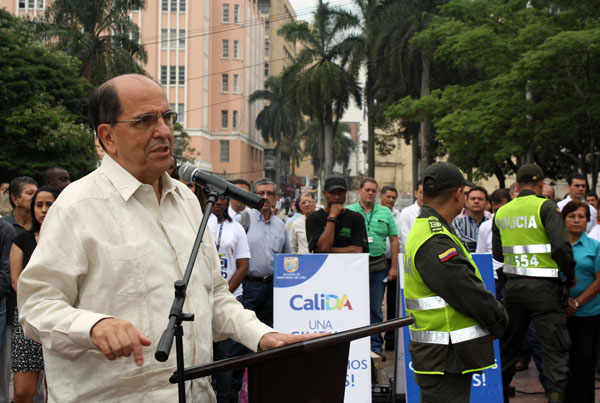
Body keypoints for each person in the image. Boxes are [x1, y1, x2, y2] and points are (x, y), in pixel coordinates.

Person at [16, 74, 314, 402]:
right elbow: (36, 306)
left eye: (167, 117)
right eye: (145, 120)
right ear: (107, 136)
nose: (163, 131)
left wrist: (262, 336)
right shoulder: (77, 206)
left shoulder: (186, 201)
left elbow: (213, 296)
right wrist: (94, 326)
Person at [404, 162, 507, 403]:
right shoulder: (436, 238)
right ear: (458, 193)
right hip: (446, 354)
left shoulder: (428, 229)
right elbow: (466, 291)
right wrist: (498, 320)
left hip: (442, 353)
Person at [493, 164, 576, 403]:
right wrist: (569, 272)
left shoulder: (502, 212)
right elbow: (561, 247)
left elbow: (498, 254)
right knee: (554, 350)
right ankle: (556, 398)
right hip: (545, 291)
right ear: (541, 184)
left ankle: (498, 395)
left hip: (513, 290)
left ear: (517, 185)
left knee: (508, 349)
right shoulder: (546, 207)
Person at [10, 186, 59, 402]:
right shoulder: (22, 239)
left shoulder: (66, 240)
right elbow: (16, 280)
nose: (44, 209)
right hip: (27, 317)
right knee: (22, 391)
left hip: (59, 317)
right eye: (39, 205)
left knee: (55, 388)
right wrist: (36, 303)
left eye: (49, 204)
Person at [347, 178, 399, 355]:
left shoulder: (385, 212)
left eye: (373, 190)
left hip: (378, 267)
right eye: (367, 189)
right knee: (352, 306)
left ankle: (375, 347)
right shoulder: (350, 211)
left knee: (375, 308)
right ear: (359, 191)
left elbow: (394, 239)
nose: (370, 193)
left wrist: (394, 267)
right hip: (354, 268)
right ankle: (354, 345)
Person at [207, 195, 251, 403]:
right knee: (201, 355)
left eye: (223, 198)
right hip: (200, 299)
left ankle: (224, 399)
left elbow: (243, 266)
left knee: (224, 356)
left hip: (228, 299)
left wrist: (223, 292)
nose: (218, 202)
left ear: (228, 202)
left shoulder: (236, 228)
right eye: (214, 197)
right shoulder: (197, 224)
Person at [560, 200, 600, 403]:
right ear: (564, 219)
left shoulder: (595, 247)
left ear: (587, 221)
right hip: (560, 312)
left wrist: (577, 303)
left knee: (585, 360)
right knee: (562, 362)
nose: (576, 220)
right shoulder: (556, 246)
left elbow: (599, 280)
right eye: (572, 216)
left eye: (581, 217)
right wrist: (565, 302)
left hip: (589, 313)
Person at [306, 176, 368, 254]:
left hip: (348, 262)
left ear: (345, 193)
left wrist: (327, 250)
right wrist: (332, 217)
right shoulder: (314, 218)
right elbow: (323, 248)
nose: (336, 197)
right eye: (332, 193)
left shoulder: (356, 218)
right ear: (324, 193)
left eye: (340, 193)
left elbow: (357, 250)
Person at [475, 188, 511, 300]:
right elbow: (481, 255)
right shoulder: (485, 227)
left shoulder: (517, 224)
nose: (499, 213)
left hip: (513, 276)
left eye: (502, 209)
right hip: (495, 279)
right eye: (496, 210)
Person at [379, 185, 402, 351]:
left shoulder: (399, 216)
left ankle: (391, 339)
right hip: (378, 262)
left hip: (394, 261)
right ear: (381, 196)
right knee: (377, 302)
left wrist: (396, 265)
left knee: (393, 303)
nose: (391, 200)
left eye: (393, 197)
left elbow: (398, 239)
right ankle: (374, 339)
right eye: (388, 196)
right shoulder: (375, 213)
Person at [452, 186, 489, 252]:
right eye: (473, 199)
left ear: (486, 203)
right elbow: (460, 240)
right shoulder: (457, 222)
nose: (476, 201)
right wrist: (483, 244)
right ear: (466, 203)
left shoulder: (491, 224)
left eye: (480, 199)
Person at [398, 180, 423, 251]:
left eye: (427, 193)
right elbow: (406, 240)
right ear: (416, 193)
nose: (423, 196)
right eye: (421, 192)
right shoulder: (406, 213)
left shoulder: (435, 213)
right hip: (412, 253)